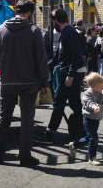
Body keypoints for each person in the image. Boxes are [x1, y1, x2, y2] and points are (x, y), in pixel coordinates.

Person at [0, 0, 50, 167]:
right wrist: (45, 83)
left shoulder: (1, 29)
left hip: (7, 79)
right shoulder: (34, 30)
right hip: (29, 80)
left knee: (4, 117)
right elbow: (41, 59)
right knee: (27, 118)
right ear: (30, 12)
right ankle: (24, 156)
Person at [34, 8, 86, 144]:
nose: (52, 25)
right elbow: (58, 57)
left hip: (71, 72)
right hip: (74, 72)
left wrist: (70, 74)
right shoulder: (65, 33)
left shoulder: (69, 33)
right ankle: (82, 132)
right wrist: (45, 66)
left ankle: (49, 134)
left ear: (56, 20)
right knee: (75, 103)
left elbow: (77, 55)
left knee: (58, 102)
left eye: (52, 22)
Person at [68, 72, 103, 166]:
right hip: (88, 118)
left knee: (89, 137)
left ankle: (74, 144)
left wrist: (100, 107)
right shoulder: (87, 93)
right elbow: (87, 102)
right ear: (92, 86)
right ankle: (92, 157)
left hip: (97, 118)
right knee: (94, 138)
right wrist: (94, 107)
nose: (102, 88)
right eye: (100, 86)